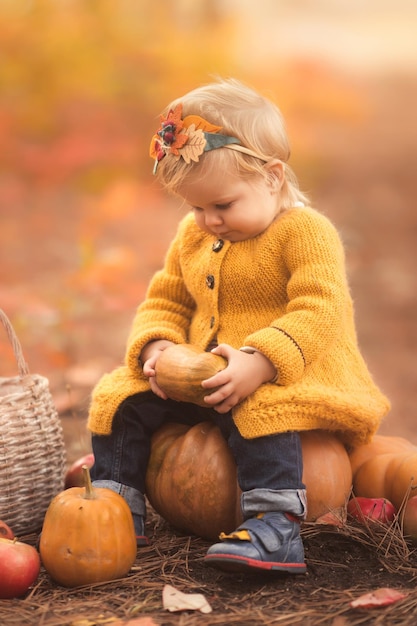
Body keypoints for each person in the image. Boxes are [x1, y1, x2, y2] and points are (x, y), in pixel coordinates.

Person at [88, 78, 390, 574]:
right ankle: (115, 506)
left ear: (272, 177)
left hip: (292, 375)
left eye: (222, 205)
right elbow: (166, 297)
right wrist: (157, 348)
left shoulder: (304, 232)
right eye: (196, 207)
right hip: (203, 377)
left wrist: (262, 360)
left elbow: (320, 307)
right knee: (119, 395)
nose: (208, 220)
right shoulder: (193, 235)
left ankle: (274, 526)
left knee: (261, 409)